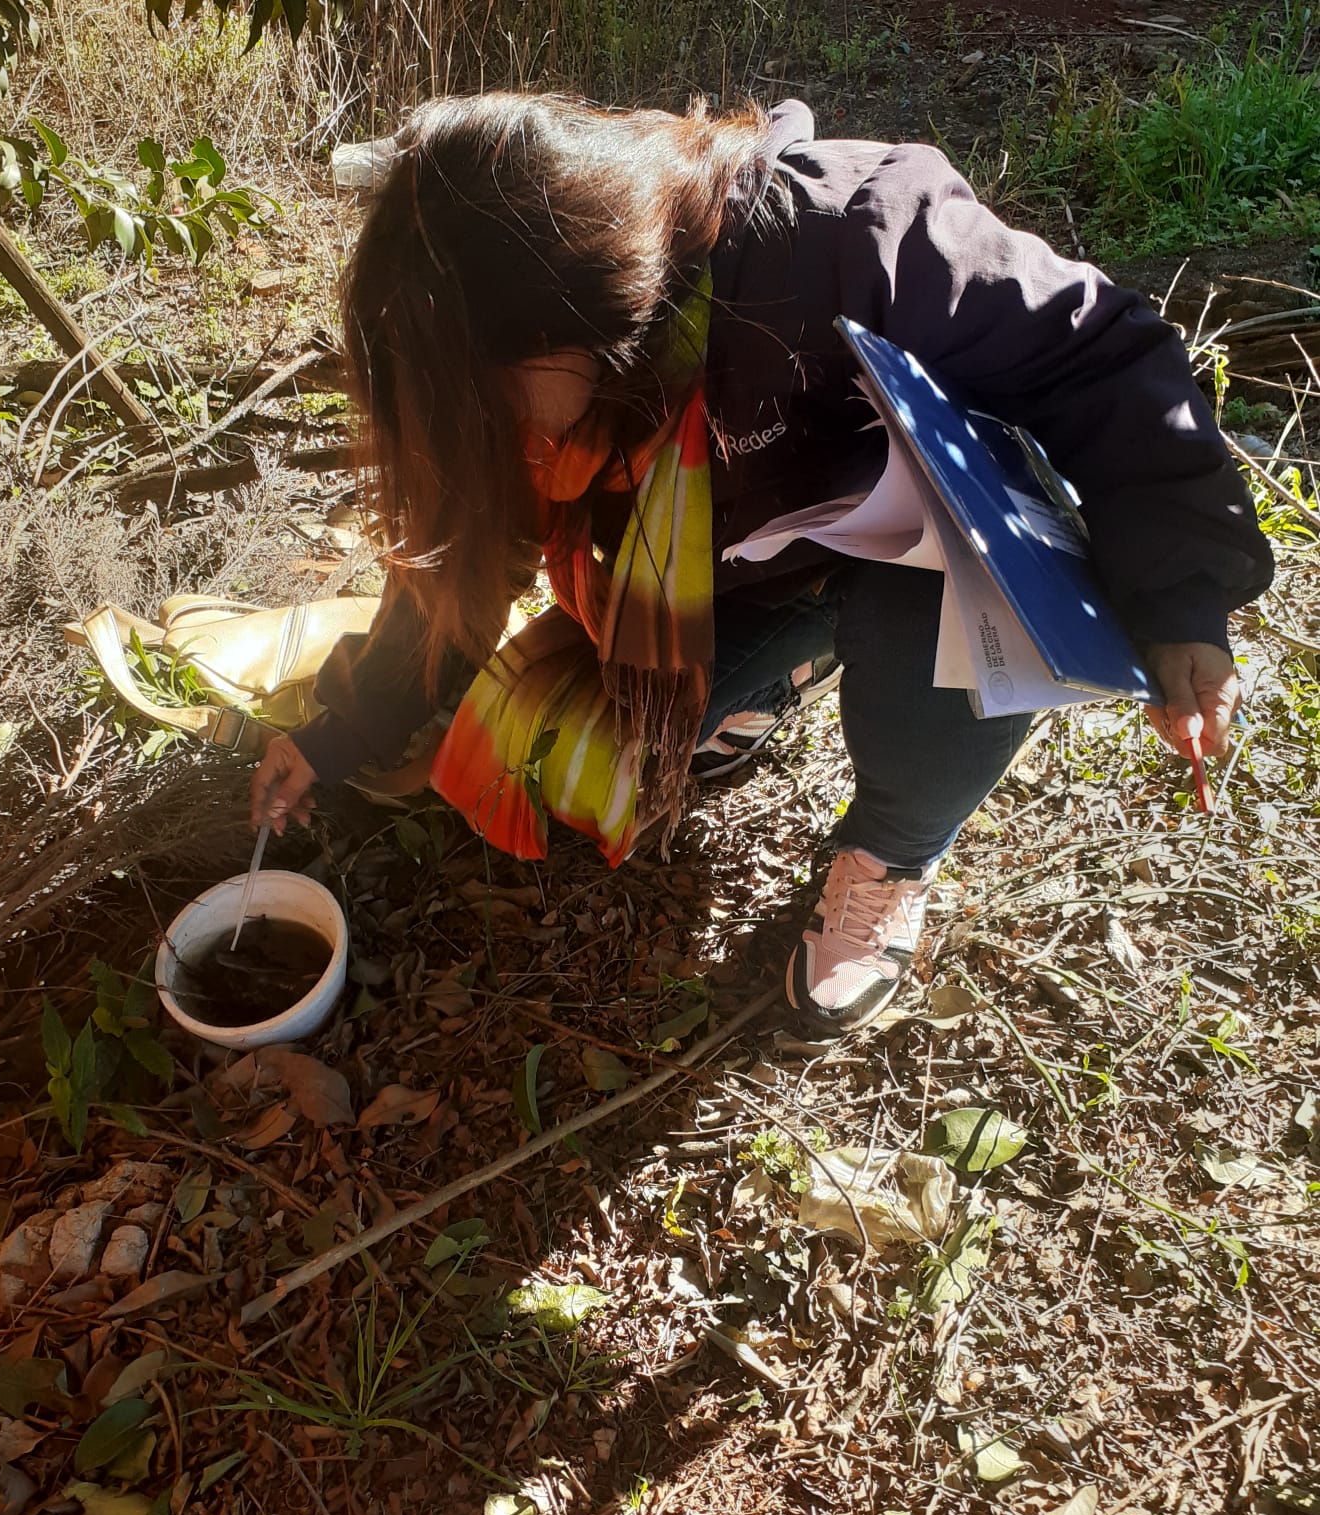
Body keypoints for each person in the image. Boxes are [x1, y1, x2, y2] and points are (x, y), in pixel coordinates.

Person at [249, 94, 1273, 1034]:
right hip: (740, 569)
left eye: (493, 399)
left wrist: (1178, 598)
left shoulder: (854, 236)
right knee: (582, 744)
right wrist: (347, 725)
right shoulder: (543, 364)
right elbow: (466, 549)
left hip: (925, 554)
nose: (487, 430)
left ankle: (890, 854)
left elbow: (1098, 352)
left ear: (585, 308)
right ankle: (766, 684)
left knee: (941, 623)